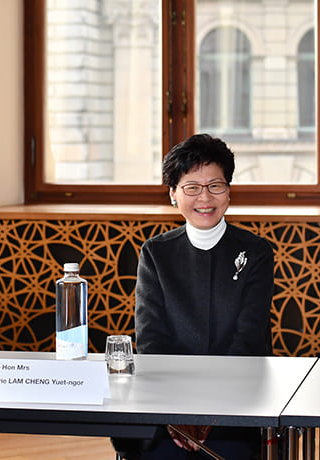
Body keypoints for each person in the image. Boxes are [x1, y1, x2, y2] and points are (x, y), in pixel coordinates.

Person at [116, 133, 274, 460]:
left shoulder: (256, 252)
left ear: (229, 191)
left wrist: (210, 412)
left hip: (236, 404)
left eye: (215, 185)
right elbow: (151, 340)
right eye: (192, 187)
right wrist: (179, 412)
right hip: (168, 405)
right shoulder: (156, 252)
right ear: (173, 194)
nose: (205, 197)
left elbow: (249, 339)